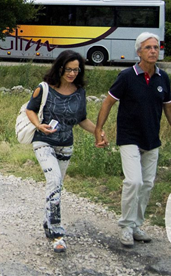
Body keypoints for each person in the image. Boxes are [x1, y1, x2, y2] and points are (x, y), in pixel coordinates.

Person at [94, 32, 171, 248]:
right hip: (129, 137)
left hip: (151, 138)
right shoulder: (127, 76)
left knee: (146, 184)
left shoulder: (162, 77)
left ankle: (136, 225)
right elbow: (108, 102)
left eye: (156, 47)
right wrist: (99, 129)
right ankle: (126, 226)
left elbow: (170, 107)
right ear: (139, 52)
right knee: (133, 181)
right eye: (148, 48)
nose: (153, 51)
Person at [25, 51, 106, 253]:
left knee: (57, 185)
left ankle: (47, 222)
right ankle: (57, 233)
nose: (72, 73)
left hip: (66, 144)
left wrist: (98, 132)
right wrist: (39, 125)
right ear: (59, 68)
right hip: (43, 141)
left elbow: (81, 119)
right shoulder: (44, 88)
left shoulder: (79, 91)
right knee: (54, 181)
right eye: (68, 69)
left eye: (76, 70)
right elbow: (30, 109)